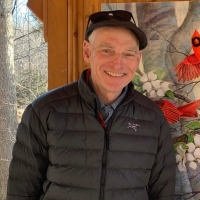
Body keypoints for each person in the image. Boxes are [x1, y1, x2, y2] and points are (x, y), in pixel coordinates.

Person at [7, 10, 176, 200]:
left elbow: (164, 193)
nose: (117, 63)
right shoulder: (45, 111)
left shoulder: (152, 118)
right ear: (87, 51)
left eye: (128, 54)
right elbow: (21, 191)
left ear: (137, 59)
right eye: (106, 50)